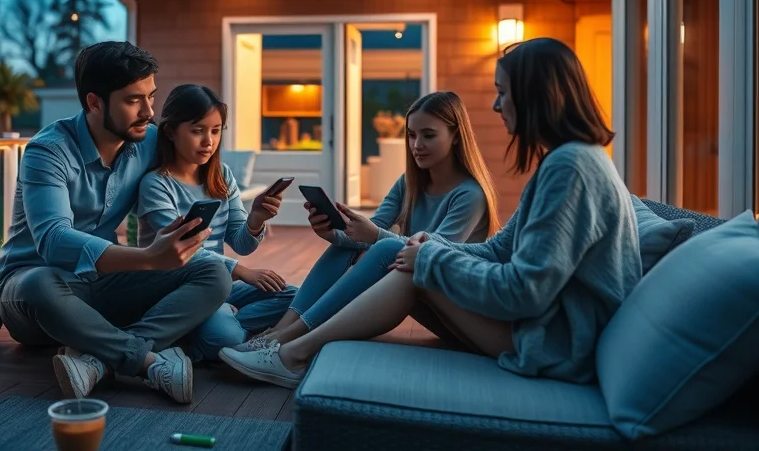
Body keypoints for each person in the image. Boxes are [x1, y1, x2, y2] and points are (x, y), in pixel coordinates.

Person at [219, 37, 642, 388]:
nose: (497, 106)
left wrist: (430, 257)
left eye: (502, 92)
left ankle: (292, 352)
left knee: (401, 259)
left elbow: (525, 290)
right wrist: (426, 246)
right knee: (406, 256)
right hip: (546, 328)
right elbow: (499, 251)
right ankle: (284, 343)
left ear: (535, 96)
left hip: (556, 345)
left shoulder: (570, 169)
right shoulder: (567, 162)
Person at [0, 42, 231, 404]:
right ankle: (147, 359)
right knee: (38, 282)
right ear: (94, 103)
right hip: (38, 297)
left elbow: (192, 163)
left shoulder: (149, 140)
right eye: (134, 101)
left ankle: (99, 361)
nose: (149, 112)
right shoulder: (48, 151)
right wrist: (150, 258)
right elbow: (54, 242)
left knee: (214, 274)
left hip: (101, 287)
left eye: (151, 97)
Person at [224, 91, 500, 356]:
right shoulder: (410, 182)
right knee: (351, 248)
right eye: (412, 135)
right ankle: (280, 331)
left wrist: (374, 235)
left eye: (428, 135)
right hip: (420, 291)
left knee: (387, 247)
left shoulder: (470, 195)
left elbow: (433, 254)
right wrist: (333, 233)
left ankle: (289, 338)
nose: (416, 145)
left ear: (455, 137)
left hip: (455, 309)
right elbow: (374, 229)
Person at [136, 84, 298, 361]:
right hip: (180, 288)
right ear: (171, 132)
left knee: (296, 298)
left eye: (215, 130)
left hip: (221, 286)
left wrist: (256, 218)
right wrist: (242, 271)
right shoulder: (156, 185)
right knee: (225, 337)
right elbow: (182, 251)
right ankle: (213, 334)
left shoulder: (221, 175)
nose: (208, 141)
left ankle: (219, 320)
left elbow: (241, 243)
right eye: (197, 130)